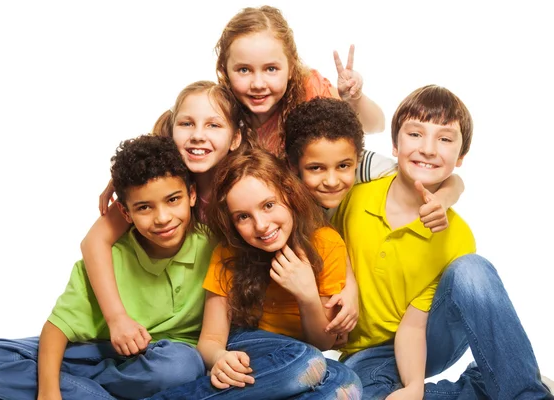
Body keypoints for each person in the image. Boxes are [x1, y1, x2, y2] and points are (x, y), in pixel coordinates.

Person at [332, 85, 553, 399]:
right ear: (394, 145)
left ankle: (526, 394)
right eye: (416, 134)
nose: (428, 149)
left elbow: (413, 326)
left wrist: (415, 385)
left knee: (471, 269)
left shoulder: (456, 235)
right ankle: (481, 384)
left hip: (430, 339)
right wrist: (412, 391)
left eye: (445, 139)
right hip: (368, 354)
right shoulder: (355, 198)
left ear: (460, 157)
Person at [0, 135, 216, 399]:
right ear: (125, 213)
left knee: (182, 366)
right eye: (144, 207)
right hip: (96, 351)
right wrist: (49, 391)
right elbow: (57, 327)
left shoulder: (213, 247)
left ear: (191, 195)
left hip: (160, 360)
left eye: (172, 200)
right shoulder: (111, 259)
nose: (163, 218)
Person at [147, 147, 362, 399]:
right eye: (243, 217)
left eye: (268, 205)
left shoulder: (326, 244)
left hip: (299, 357)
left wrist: (307, 296)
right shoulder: (229, 254)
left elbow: (323, 343)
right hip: (247, 347)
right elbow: (210, 340)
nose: (260, 225)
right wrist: (219, 358)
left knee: (345, 385)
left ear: (290, 195)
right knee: (306, 361)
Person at [83, 81, 244, 358]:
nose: (197, 135)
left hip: (226, 321)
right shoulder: (159, 185)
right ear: (171, 131)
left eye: (213, 125)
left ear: (235, 138)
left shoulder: (242, 186)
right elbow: (94, 242)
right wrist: (116, 318)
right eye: (186, 124)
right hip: (158, 319)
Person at [215, 5, 385, 156]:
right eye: (244, 70)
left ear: (291, 67)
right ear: (225, 70)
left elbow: (375, 126)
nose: (258, 84)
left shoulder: (310, 88)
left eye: (271, 69)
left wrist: (354, 99)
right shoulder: (218, 107)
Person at [284, 96, 463, 231]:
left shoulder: (364, 165)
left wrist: (442, 199)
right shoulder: (281, 191)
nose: (332, 181)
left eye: (343, 166)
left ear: (357, 158)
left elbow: (452, 181)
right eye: (316, 168)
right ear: (293, 165)